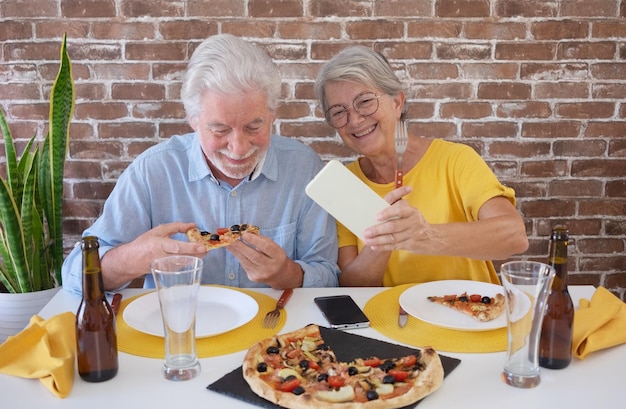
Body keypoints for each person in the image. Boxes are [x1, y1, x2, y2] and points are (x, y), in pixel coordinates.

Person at [62, 34, 340, 294]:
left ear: (272, 115)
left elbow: (329, 274)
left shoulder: (305, 169)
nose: (239, 147)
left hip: (274, 334)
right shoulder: (153, 171)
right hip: (179, 333)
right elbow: (74, 275)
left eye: (254, 126)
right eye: (220, 130)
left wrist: (287, 274)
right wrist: (135, 258)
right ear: (193, 120)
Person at [313, 46, 529, 287]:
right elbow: (352, 287)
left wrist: (426, 236)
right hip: (393, 320)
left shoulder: (455, 160)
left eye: (364, 101)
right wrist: (385, 241)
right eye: (339, 112)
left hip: (471, 313)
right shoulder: (346, 184)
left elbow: (514, 237)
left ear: (397, 102)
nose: (354, 120)